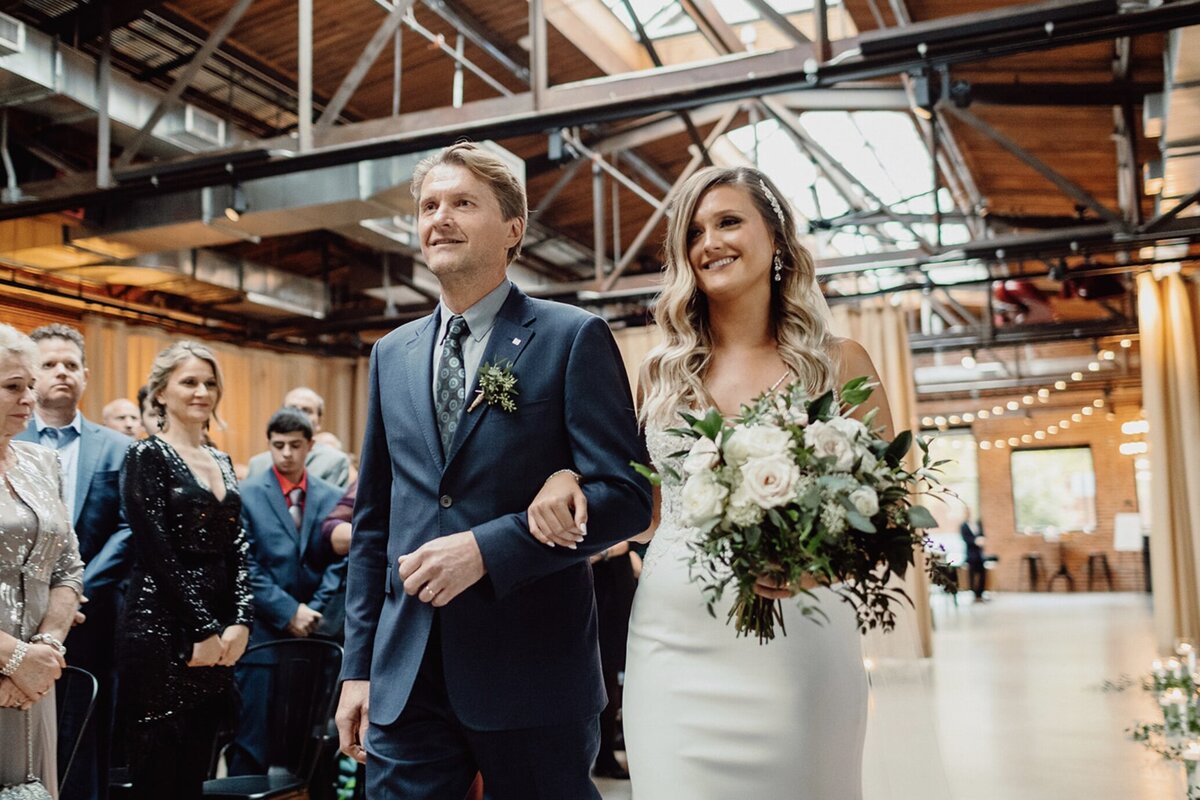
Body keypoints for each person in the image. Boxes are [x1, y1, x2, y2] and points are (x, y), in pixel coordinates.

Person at [532, 166, 894, 798]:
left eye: (729, 221)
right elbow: (639, 511)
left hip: (800, 636)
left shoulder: (840, 364)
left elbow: (890, 510)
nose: (709, 242)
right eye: (694, 232)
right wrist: (565, 475)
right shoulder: (660, 375)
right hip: (674, 647)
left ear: (777, 240)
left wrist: (815, 568)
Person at [334, 142, 651, 799]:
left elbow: (624, 497)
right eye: (429, 205)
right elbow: (374, 529)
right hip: (406, 675)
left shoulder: (570, 336)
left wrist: (488, 548)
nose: (440, 217)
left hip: (531, 674)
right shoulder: (392, 355)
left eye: (463, 203)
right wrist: (357, 669)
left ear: (513, 228)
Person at [118, 341, 252, 800]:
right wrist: (203, 627)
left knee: (198, 766)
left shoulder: (222, 459)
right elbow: (156, 552)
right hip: (160, 628)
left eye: (210, 382)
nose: (202, 391)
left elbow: (237, 546)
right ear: (160, 393)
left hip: (216, 630)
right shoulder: (145, 456)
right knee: (158, 773)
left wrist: (240, 619)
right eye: (189, 381)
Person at [16, 323, 133, 800]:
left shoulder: (117, 447)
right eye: (49, 364)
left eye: (71, 364)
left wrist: (76, 592)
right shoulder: (9, 439)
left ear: (85, 374)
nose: (61, 372)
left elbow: (128, 529)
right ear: (29, 375)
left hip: (94, 619)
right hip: (19, 622)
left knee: (85, 745)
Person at [226, 406, 345, 775]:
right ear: (269, 445)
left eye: (295, 445)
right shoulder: (246, 493)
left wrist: (312, 609)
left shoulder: (332, 497)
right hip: (262, 633)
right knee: (251, 738)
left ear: (310, 445)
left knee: (310, 742)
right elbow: (243, 562)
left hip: (315, 633)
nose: (287, 454)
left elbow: (341, 560)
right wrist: (287, 610)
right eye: (279, 446)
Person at [0, 323, 83, 797]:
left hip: (38, 677)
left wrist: (46, 652)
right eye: (14, 387)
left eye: (29, 386)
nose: (29, 398)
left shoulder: (40, 462)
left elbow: (69, 566)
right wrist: (14, 660)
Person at [246, 388, 351, 488]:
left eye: (307, 411)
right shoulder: (258, 464)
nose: (299, 415)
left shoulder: (334, 461)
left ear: (319, 421)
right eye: (292, 409)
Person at [960, 510, 987, 601]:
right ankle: (974, 593)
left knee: (982, 574)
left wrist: (982, 540)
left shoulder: (977, 524)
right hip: (971, 554)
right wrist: (975, 541)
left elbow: (982, 534)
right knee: (972, 574)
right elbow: (965, 538)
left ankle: (980, 593)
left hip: (979, 554)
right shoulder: (963, 526)